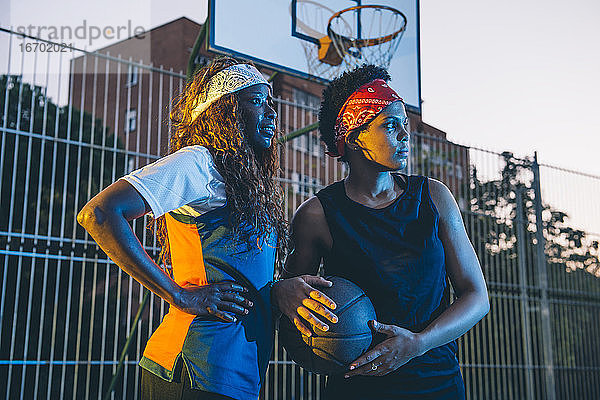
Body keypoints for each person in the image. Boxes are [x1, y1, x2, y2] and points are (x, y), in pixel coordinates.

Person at [77, 57, 332, 400]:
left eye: (270, 103)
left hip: (234, 373)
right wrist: (180, 295)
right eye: (256, 102)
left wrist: (278, 290)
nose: (271, 113)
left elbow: (244, 276)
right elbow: (100, 213)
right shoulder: (199, 162)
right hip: (193, 367)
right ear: (225, 111)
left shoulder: (243, 180)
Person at [272, 64, 490, 399]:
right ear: (354, 135)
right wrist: (280, 291)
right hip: (355, 388)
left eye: (405, 125)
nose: (405, 135)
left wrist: (418, 344)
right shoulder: (317, 215)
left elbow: (477, 296)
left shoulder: (433, 197)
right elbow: (291, 305)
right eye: (391, 125)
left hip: (437, 383)